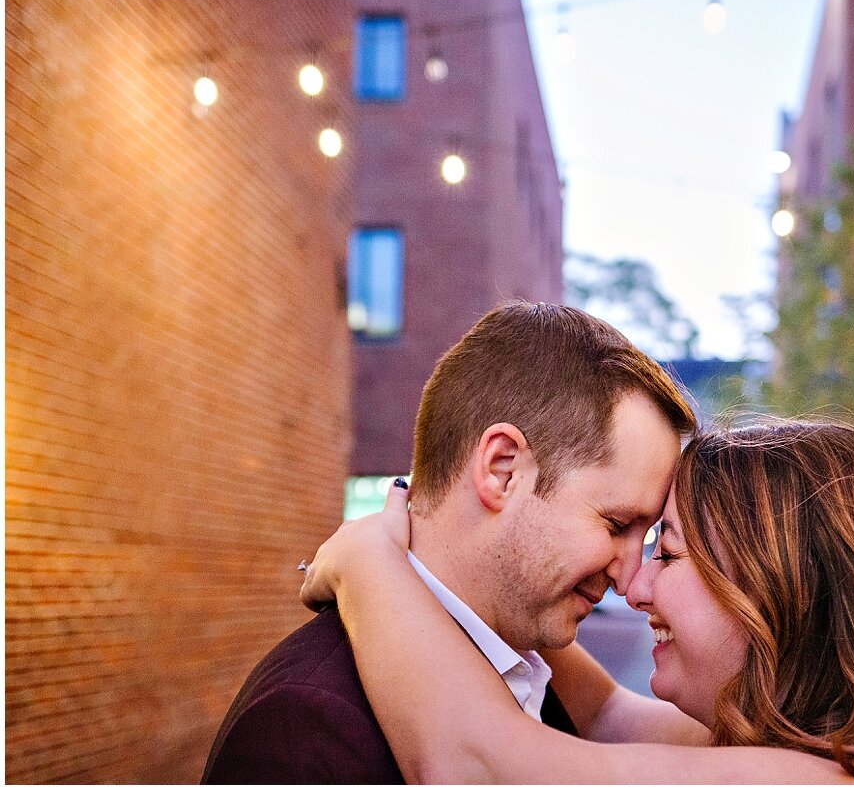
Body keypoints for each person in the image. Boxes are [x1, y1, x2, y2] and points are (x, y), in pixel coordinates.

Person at [301, 418, 854, 784]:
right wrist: (504, 581)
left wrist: (369, 562)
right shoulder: (806, 747)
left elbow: (480, 767)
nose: (632, 584)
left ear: (777, 589)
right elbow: (609, 711)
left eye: (665, 551)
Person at [202, 301, 697, 782]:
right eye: (616, 525)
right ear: (502, 471)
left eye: (650, 536)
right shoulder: (306, 727)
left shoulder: (533, 667)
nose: (630, 578)